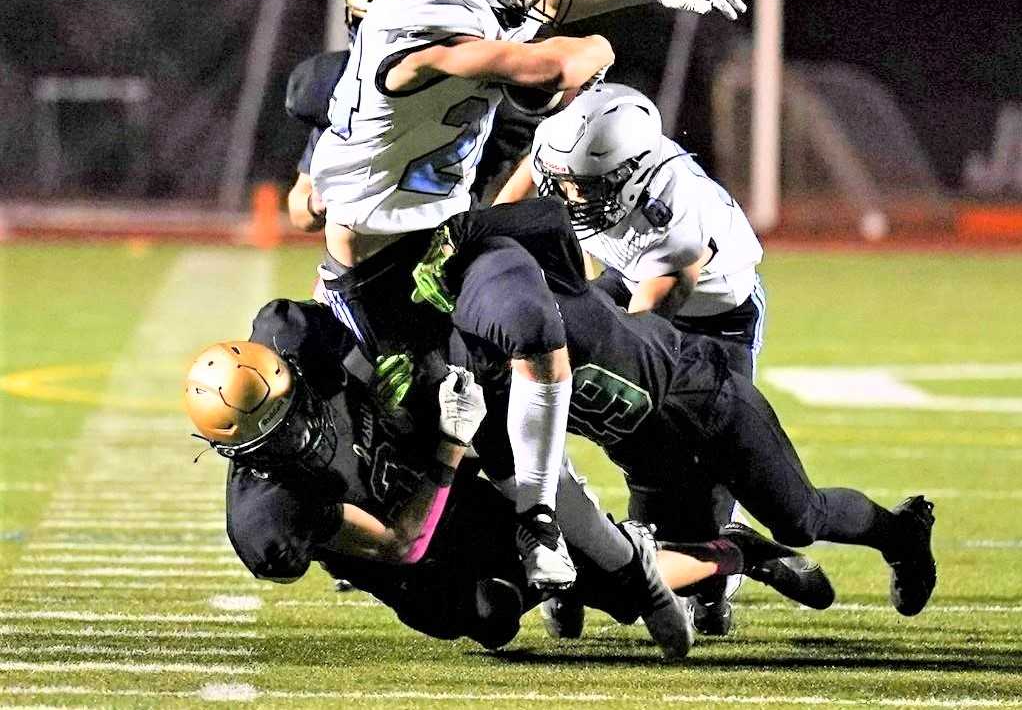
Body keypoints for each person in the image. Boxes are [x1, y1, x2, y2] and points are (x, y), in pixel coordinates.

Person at [308, 0, 751, 593]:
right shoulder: (417, 24)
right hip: (377, 269)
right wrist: (599, 50)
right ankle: (388, 546)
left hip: (442, 237)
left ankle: (542, 517)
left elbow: (557, 3)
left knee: (536, 309)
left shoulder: (472, 1)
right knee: (430, 415)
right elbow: (553, 60)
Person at [182, 297, 827, 657]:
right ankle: (585, 569)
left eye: (293, 405)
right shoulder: (268, 517)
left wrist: (420, 392)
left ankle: (738, 553)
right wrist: (449, 444)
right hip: (414, 560)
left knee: (623, 593)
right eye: (278, 428)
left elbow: (380, 337)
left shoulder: (293, 338)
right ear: (236, 449)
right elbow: (397, 542)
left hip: (449, 472)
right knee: (491, 618)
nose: (300, 426)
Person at [410, 198, 938, 622]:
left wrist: (465, 225)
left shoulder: (549, 296)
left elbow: (549, 216)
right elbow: (528, 476)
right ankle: (735, 551)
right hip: (645, 451)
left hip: (712, 409)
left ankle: (900, 532)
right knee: (636, 583)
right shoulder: (490, 370)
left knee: (800, 519)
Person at [495, 83, 765, 634]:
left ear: (636, 175)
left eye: (586, 187)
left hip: (714, 319)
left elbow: (639, 341)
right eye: (565, 182)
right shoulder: (567, 143)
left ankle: (719, 569)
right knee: (532, 379)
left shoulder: (677, 217)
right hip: (629, 278)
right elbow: (531, 175)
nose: (570, 197)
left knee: (703, 454)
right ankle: (576, 537)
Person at [285, 0, 430, 232]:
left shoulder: (476, 86)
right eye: (368, 26)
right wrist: (319, 202)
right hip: (365, 257)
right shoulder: (347, 94)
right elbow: (298, 206)